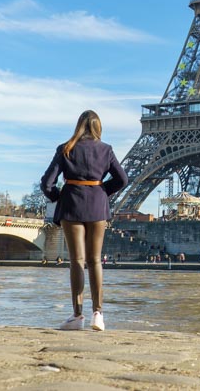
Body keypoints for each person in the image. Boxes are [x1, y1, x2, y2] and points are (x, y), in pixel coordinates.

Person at [41, 110, 128, 332]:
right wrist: (101, 191)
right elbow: (122, 179)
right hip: (97, 204)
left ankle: (77, 315)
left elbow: (47, 183)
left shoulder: (66, 148)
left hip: (71, 204)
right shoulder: (105, 149)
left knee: (77, 260)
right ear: (98, 127)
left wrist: (59, 197)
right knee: (96, 260)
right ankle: (98, 314)